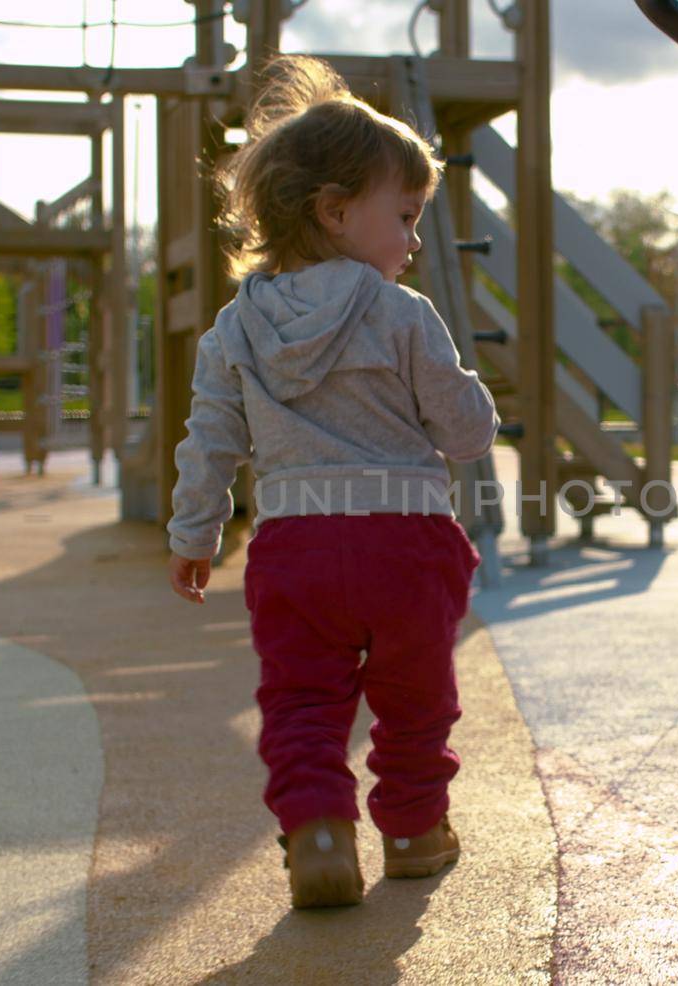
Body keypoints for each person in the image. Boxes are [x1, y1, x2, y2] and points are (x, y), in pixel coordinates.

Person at [164, 54, 499, 910]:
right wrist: (468, 395)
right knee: (416, 701)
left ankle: (316, 831)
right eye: (408, 217)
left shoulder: (233, 329)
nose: (416, 242)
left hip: (295, 547)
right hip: (405, 545)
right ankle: (416, 832)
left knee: (303, 703)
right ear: (339, 211)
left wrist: (194, 537)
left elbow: (209, 442)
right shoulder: (402, 313)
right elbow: (463, 434)